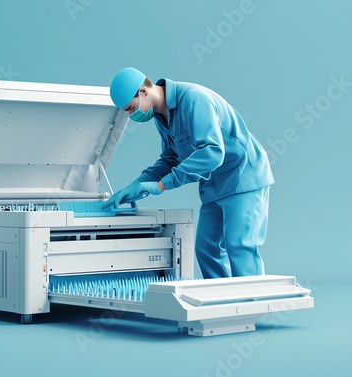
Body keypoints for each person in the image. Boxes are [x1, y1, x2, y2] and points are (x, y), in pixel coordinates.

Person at [105, 67, 274, 279]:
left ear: (143, 92)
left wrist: (161, 186)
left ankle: (252, 303)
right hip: (213, 184)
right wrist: (137, 185)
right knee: (206, 249)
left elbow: (212, 153)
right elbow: (170, 159)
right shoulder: (161, 116)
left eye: (131, 108)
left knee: (239, 246)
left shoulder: (194, 100)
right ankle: (222, 301)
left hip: (243, 177)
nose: (132, 115)